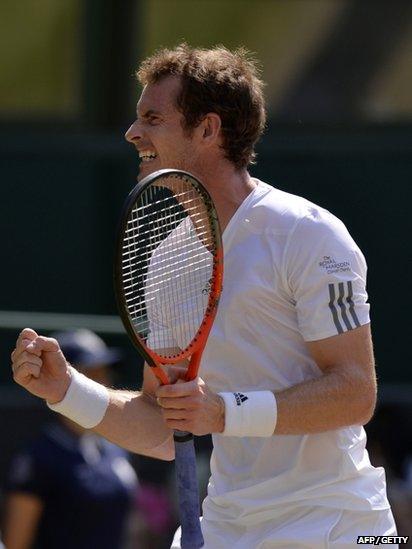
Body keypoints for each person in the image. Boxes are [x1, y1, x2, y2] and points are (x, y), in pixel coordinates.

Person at [11, 44, 397, 547]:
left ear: (208, 130)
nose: (132, 133)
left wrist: (224, 412)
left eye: (153, 118)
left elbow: (354, 393)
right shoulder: (168, 262)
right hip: (226, 528)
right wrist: (67, 392)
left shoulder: (308, 234)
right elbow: (162, 427)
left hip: (334, 525)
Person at [4, 330, 138, 549]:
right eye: (91, 375)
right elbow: (16, 543)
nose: (100, 383)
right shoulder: (39, 456)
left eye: (103, 373)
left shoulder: (116, 450)